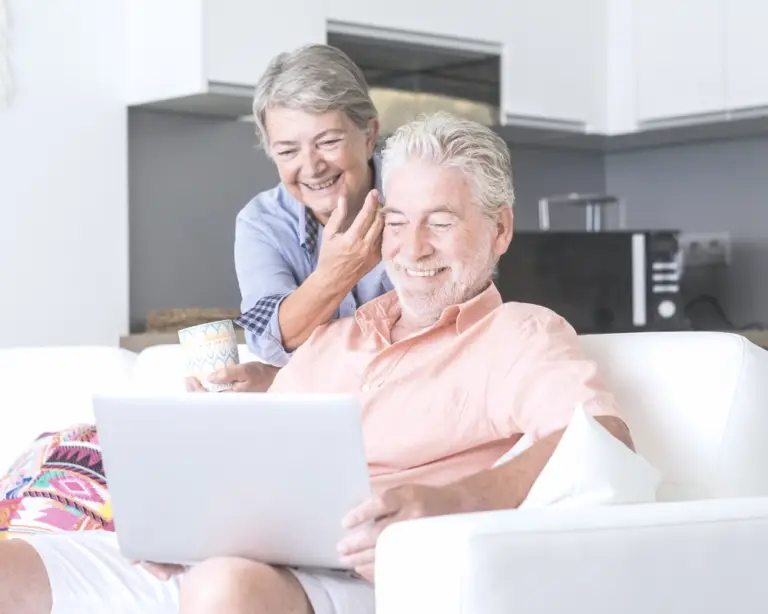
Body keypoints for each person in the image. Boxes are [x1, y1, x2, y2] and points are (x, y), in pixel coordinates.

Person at [0, 112, 633, 614]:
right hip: (246, 558)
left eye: (440, 223)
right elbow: (258, 466)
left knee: (223, 588)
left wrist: (451, 500)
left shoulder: (519, 333)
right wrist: (188, 513)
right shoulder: (336, 340)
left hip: (371, 576)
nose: (412, 249)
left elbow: (602, 437)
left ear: (499, 230)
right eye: (400, 222)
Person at [197, 43, 392, 393]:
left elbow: (441, 342)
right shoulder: (262, 221)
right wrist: (336, 273)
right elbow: (270, 338)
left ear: (370, 134)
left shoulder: (417, 197)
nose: (312, 166)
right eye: (288, 151)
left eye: (328, 142)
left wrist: (285, 378)